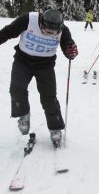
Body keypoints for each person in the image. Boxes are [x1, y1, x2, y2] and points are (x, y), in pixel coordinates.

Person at [0, 9, 78, 147]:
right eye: (46, 30)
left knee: (49, 98)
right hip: (23, 61)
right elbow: (7, 32)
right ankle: (23, 115)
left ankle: (55, 128)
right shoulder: (28, 20)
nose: (49, 34)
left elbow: (68, 47)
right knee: (17, 88)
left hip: (45, 65)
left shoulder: (63, 30)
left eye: (53, 33)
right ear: (41, 21)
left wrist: (70, 51)